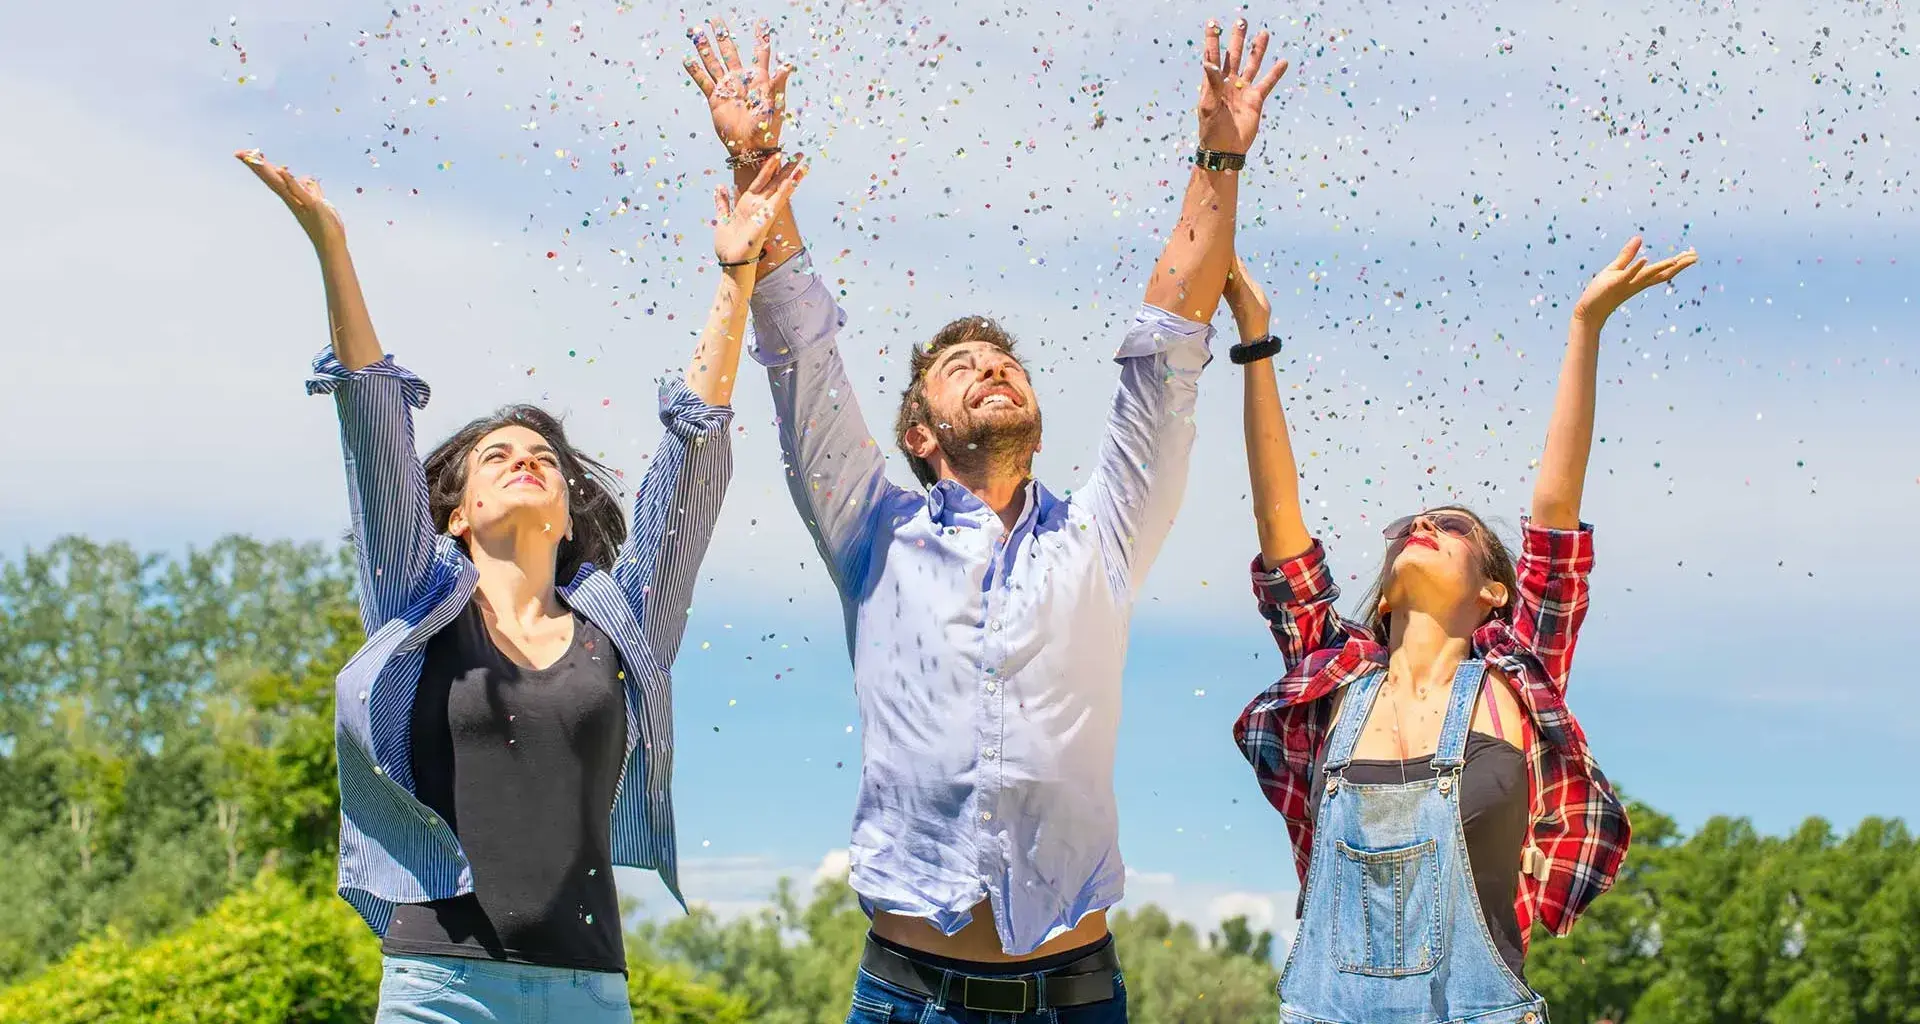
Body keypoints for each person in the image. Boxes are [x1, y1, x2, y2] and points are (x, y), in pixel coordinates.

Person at [680, 13, 1287, 1023]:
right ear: (919, 432)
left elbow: (1171, 336)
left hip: (1075, 992)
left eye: (1005, 361)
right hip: (909, 993)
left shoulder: (1104, 535)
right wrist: (754, 157)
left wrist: (1220, 154)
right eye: (960, 368)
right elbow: (800, 350)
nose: (993, 368)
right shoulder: (872, 535)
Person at [236, 145, 804, 1024]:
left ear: (570, 516)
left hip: (588, 990)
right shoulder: (416, 604)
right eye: (495, 458)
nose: (524, 462)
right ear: (456, 514)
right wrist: (333, 249)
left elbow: (690, 459)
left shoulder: (620, 623)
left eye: (542, 458)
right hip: (441, 988)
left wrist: (734, 276)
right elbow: (374, 427)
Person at [1228, 238, 1697, 1023]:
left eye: (1449, 525)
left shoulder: (1518, 676)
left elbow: (1553, 525)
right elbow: (1279, 523)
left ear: (1493, 589)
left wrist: (1585, 327)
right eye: (1413, 523)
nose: (1422, 523)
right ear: (1381, 602)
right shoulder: (1332, 676)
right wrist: (1256, 340)